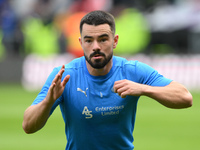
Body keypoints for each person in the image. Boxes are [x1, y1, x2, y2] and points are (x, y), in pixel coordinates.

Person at [22, 10, 193, 150]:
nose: (96, 46)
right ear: (81, 43)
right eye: (89, 40)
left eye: (103, 39)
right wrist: (48, 101)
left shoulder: (132, 70)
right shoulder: (65, 75)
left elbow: (185, 97)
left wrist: (143, 89)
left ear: (115, 41)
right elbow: (28, 126)